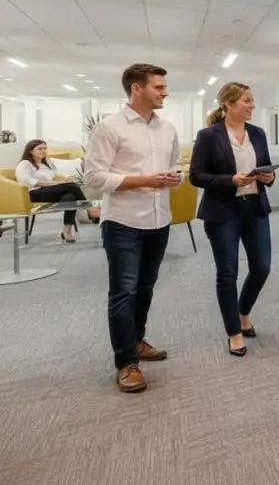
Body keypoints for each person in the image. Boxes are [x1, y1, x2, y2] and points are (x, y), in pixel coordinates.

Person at [84, 64, 183, 393]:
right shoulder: (109, 128)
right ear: (136, 89)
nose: (165, 92)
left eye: (165, 86)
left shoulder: (167, 129)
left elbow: (175, 168)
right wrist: (145, 180)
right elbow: (94, 179)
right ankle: (126, 363)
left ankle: (137, 341)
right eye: (159, 87)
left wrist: (174, 177)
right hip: (123, 222)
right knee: (123, 292)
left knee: (145, 288)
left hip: (159, 220)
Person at [189, 82, 275, 357]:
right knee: (228, 273)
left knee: (262, 267)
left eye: (252, 101)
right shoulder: (208, 136)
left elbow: (267, 166)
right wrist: (231, 180)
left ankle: (243, 310)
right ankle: (234, 332)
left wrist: (269, 177)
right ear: (228, 104)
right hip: (222, 211)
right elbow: (196, 176)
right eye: (246, 101)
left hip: (255, 207)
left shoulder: (258, 134)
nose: (252, 105)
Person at [15, 139, 89, 242]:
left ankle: (66, 231)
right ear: (30, 151)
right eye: (39, 148)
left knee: (70, 197)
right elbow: (26, 180)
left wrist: (57, 183)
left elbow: (53, 179)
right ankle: (89, 210)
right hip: (33, 193)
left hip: (49, 192)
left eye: (45, 148)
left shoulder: (46, 164)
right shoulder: (25, 164)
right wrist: (54, 184)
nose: (43, 150)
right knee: (72, 186)